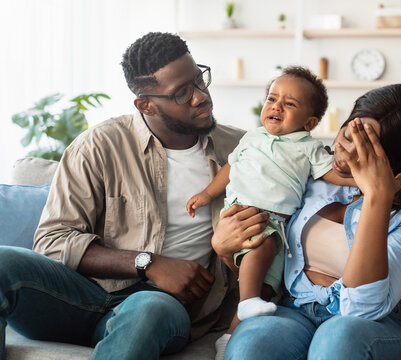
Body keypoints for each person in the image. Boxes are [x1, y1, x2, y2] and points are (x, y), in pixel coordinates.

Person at [0, 32, 269, 359]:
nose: (201, 97)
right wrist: (148, 263)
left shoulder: (244, 150)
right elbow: (53, 240)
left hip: (161, 306)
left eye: (200, 80)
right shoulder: (99, 146)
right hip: (79, 297)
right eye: (183, 93)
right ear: (146, 104)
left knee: (149, 308)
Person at [212, 83, 401, 359]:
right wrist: (225, 250)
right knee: (249, 345)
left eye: (364, 149)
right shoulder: (309, 175)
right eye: (348, 134)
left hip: (365, 326)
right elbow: (266, 262)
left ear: (398, 164)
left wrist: (377, 196)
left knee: (335, 341)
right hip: (294, 311)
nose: (343, 151)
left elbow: (363, 308)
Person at [186, 66, 356, 358]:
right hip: (244, 214)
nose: (276, 106)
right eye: (272, 99)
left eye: (290, 104)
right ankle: (248, 300)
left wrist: (363, 182)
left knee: (268, 290)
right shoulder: (252, 138)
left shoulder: (309, 148)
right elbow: (230, 168)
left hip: (279, 226)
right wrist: (207, 194)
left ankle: (230, 334)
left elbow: (332, 174)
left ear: (309, 121)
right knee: (259, 250)